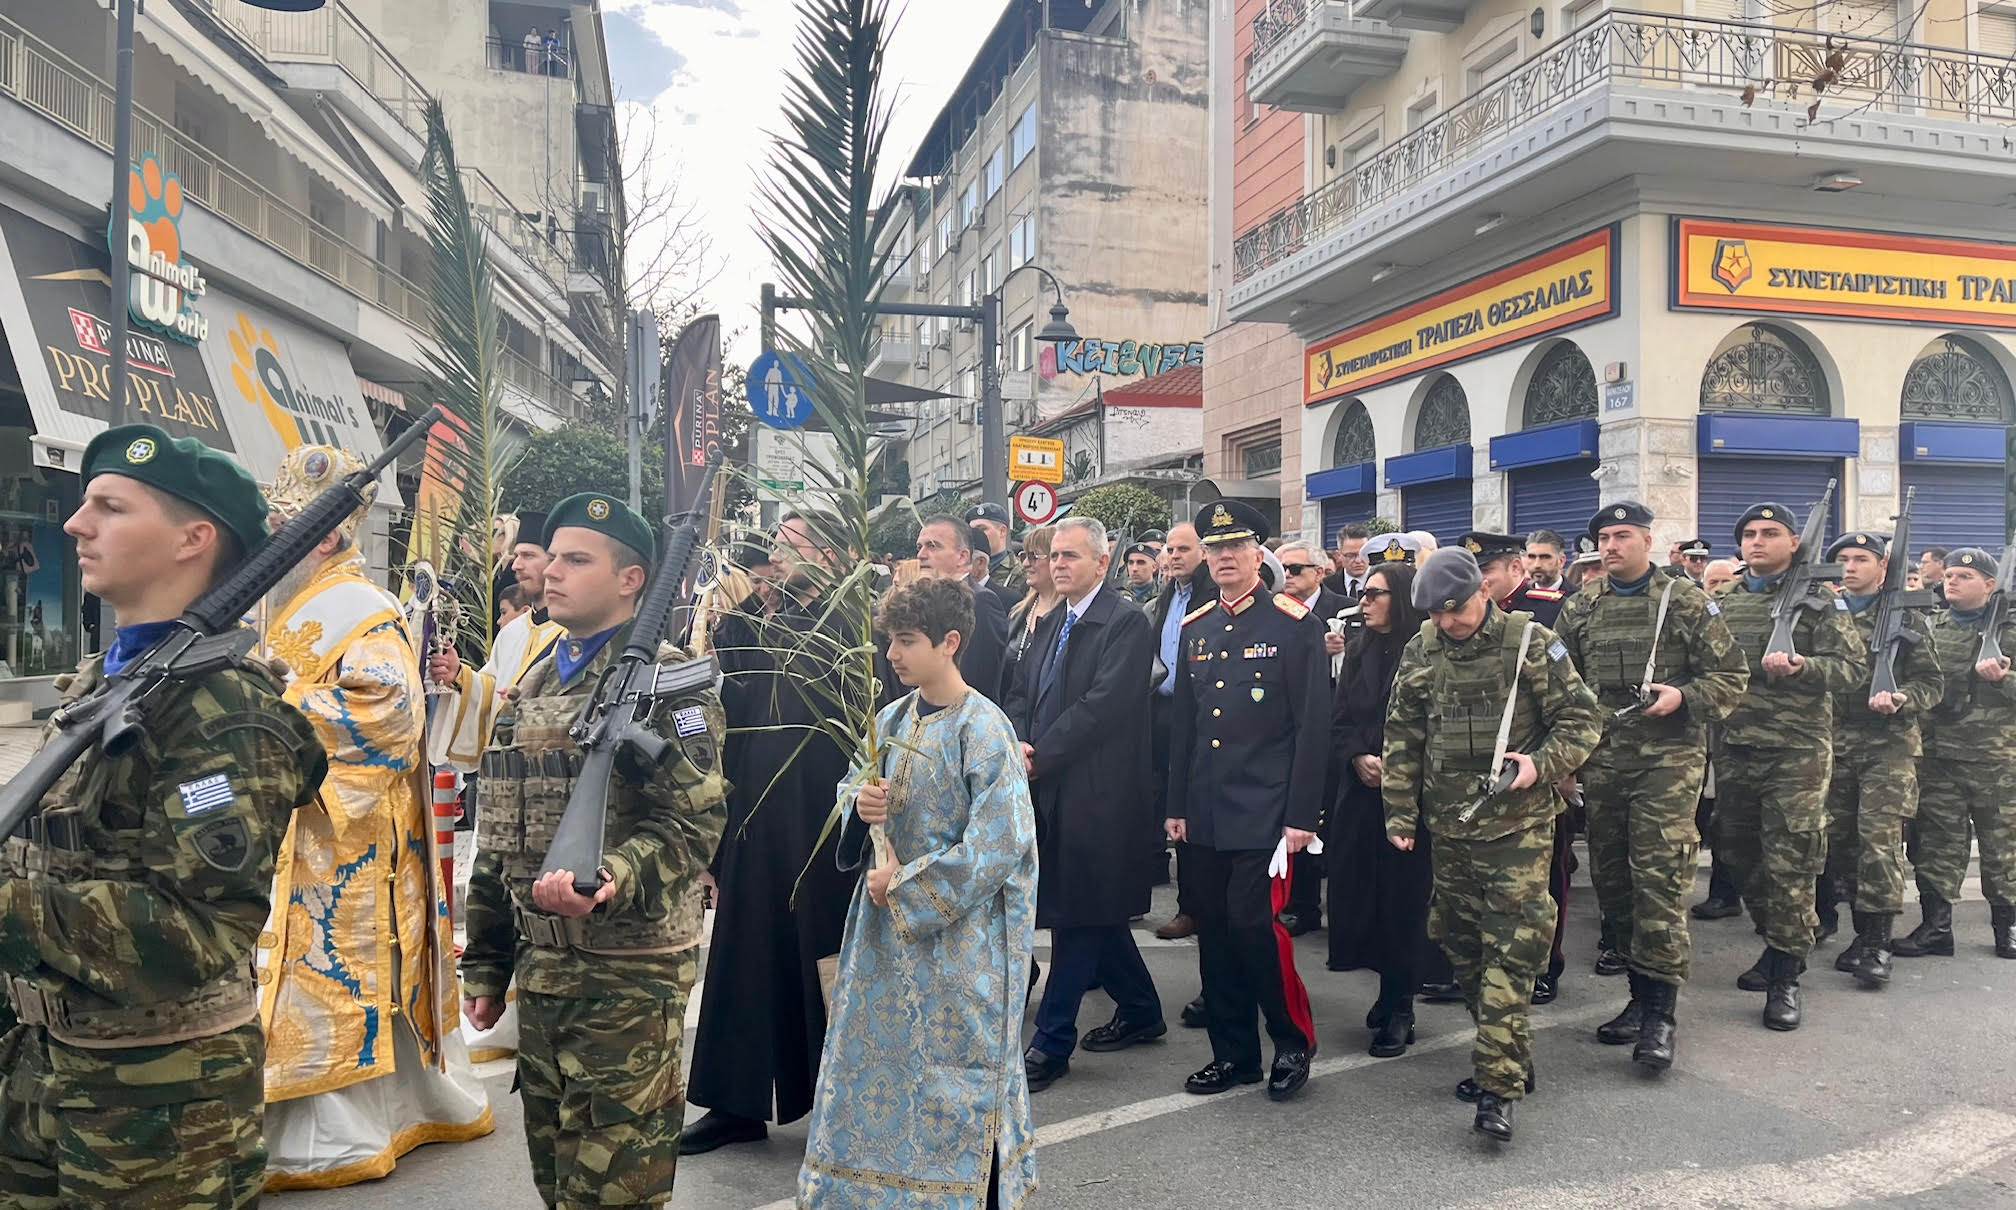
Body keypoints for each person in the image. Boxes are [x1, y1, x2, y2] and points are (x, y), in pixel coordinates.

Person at [0, 424, 326, 1206]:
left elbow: (200, 930)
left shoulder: (224, 713)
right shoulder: (104, 684)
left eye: (110, 507)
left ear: (193, 539)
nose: (77, 525)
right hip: (45, 1067)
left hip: (158, 1104)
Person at [460, 493, 727, 1207]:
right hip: (544, 973)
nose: (551, 572)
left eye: (577, 560)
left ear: (631, 579)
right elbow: (500, 836)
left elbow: (694, 824)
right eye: (550, 556)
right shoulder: (536, 682)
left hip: (627, 979)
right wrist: (486, 964)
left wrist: (614, 872)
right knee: (555, 1182)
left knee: (615, 1195)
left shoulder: (672, 684)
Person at [255, 447, 490, 1189]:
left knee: (335, 971)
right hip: (298, 818)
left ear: (326, 537)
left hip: (346, 829)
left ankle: (344, 1128)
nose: (271, 539)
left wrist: (268, 711)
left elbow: (389, 711)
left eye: (284, 526)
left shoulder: (365, 610)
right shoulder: (284, 601)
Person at [799, 577, 1039, 1207]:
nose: (893, 654)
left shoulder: (985, 730)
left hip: (961, 946)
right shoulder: (891, 718)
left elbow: (998, 846)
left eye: (907, 641)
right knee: (883, 1073)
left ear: (950, 642)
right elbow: (852, 790)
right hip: (884, 939)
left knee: (957, 1079)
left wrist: (904, 883)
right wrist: (859, 804)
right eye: (889, 641)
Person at [1381, 548, 1602, 1143]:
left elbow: (1582, 720)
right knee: (1460, 946)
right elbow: (1403, 733)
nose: (1448, 623)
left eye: (1455, 610)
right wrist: (1400, 813)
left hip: (1518, 827)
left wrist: (1539, 764)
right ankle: (1507, 1048)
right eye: (1435, 614)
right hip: (1448, 827)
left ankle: (1497, 1087)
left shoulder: (1529, 642)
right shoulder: (1422, 648)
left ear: (1484, 591)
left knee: (1510, 950)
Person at [682, 515, 861, 1155]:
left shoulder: (853, 627)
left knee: (827, 961)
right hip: (755, 817)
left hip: (823, 822)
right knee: (743, 955)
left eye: (798, 543)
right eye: (778, 544)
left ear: (835, 555)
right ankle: (735, 1103)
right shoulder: (757, 623)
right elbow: (723, 709)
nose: (781, 553)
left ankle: (848, 1103)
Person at [1554, 501, 1748, 1074]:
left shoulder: (1686, 601)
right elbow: (1558, 689)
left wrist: (1684, 697)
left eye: (1621, 535)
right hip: (1603, 763)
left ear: (1646, 540)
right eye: (1603, 538)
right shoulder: (1581, 607)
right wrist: (1566, 762)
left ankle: (1661, 1015)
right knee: (1613, 883)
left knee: (1659, 882)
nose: (1611, 546)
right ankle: (1638, 1000)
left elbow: (1731, 677)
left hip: (1668, 762)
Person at [1165, 500, 1325, 1102]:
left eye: (1235, 547)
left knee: (1255, 928)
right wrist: (1175, 804)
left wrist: (1302, 816)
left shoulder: (1292, 624)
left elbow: (1313, 727)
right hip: (1205, 808)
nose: (1224, 558)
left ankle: (1291, 1042)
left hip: (1265, 809)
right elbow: (1183, 726)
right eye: (1215, 549)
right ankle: (1233, 1054)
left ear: (1259, 553)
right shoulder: (1196, 626)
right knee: (1215, 934)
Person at [1003, 518, 1163, 1092]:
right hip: (1048, 782)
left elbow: (1103, 708)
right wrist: (1018, 741)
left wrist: (1040, 754)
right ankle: (1142, 1008)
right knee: (1094, 909)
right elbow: (1022, 689)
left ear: (1103, 562)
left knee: (1077, 916)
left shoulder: (1124, 622)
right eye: (1055, 555)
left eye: (1072, 555)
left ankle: (1051, 1041)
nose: (1059, 564)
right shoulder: (1050, 620)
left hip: (1099, 790)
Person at [1713, 501, 1865, 1031]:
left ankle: (1785, 974)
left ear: (1793, 542)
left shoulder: (1821, 601)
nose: (1758, 541)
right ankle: (1777, 939)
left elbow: (1851, 670)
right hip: (1735, 746)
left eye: (1770, 533)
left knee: (1791, 861)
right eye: (1749, 533)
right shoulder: (1722, 599)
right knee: (1735, 850)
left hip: (1796, 750)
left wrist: (1803, 667)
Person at [1817, 531, 1942, 985]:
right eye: (1843, 559)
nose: (1850, 567)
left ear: (1882, 567)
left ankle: (1877, 943)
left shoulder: (1908, 618)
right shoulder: (1823, 613)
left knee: (1879, 844)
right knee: (1843, 844)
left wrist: (1903, 698)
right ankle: (1858, 930)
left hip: (1889, 746)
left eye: (1861, 559)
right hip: (1833, 743)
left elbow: (1932, 683)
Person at [1324, 563, 1435, 1058]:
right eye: (1364, 593)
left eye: (1376, 594)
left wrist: (1400, 763)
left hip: (1413, 798)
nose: (1364, 602)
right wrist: (1356, 756)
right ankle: (1385, 989)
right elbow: (1341, 715)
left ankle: (1401, 1003)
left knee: (1402, 901)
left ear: (1404, 599)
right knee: (1360, 895)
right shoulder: (1359, 649)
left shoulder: (1428, 651)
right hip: (1362, 792)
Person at [1462, 531, 1571, 1002]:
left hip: (1534, 766)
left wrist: (1560, 766)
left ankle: (1546, 962)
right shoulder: (1459, 615)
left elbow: (1571, 699)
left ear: (1515, 570)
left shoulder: (1549, 611)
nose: (1479, 583)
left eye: (1486, 572)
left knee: (1545, 875)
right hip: (1475, 771)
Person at [1895, 547, 2016, 960]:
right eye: (1948, 575)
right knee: (1936, 845)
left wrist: (2004, 679)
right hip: (1938, 755)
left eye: (1964, 576)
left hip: (1995, 759)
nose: (1951, 581)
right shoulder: (1931, 626)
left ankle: (2008, 927)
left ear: (1989, 584)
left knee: (2003, 846)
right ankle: (1936, 928)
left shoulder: (2010, 629)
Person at [428, 509, 565, 772]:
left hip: (546, 773)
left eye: (528, 556)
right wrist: (459, 675)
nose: (515, 565)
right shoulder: (512, 632)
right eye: (515, 556)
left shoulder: (573, 633)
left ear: (553, 562)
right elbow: (494, 691)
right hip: (499, 773)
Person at [1275, 541, 1352, 936]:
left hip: (1334, 723)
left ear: (1320, 572)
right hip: (1290, 725)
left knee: (1322, 820)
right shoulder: (1278, 611)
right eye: (1283, 569)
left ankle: (1314, 904)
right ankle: (1297, 905)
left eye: (1296, 569)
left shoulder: (1341, 608)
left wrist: (1340, 649)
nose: (1287, 576)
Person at [1152, 522, 1213, 948]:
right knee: (1171, 808)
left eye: (1183, 549)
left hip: (1201, 714)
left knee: (1193, 812)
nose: (1174, 556)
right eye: (1169, 549)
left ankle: (1195, 907)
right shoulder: (1167, 596)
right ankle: (1187, 903)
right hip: (1162, 709)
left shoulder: (1210, 595)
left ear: (1204, 552)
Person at [917, 515, 1010, 702]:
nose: (921, 555)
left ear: (962, 556)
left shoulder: (981, 602)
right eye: (919, 547)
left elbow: (979, 677)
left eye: (933, 546)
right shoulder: (923, 600)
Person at [1004, 526, 1061, 671]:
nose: (1025, 564)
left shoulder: (1070, 615)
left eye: (1034, 556)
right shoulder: (1018, 612)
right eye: (1024, 556)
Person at [967, 501, 1026, 601]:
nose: (976, 535)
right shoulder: (965, 568)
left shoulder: (1020, 573)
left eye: (982, 529)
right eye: (971, 530)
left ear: (1002, 531)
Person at [1325, 523, 1373, 597]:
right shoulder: (1326, 586)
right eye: (1351, 555)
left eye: (1363, 554)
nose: (1358, 560)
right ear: (1339, 555)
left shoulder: (1384, 582)